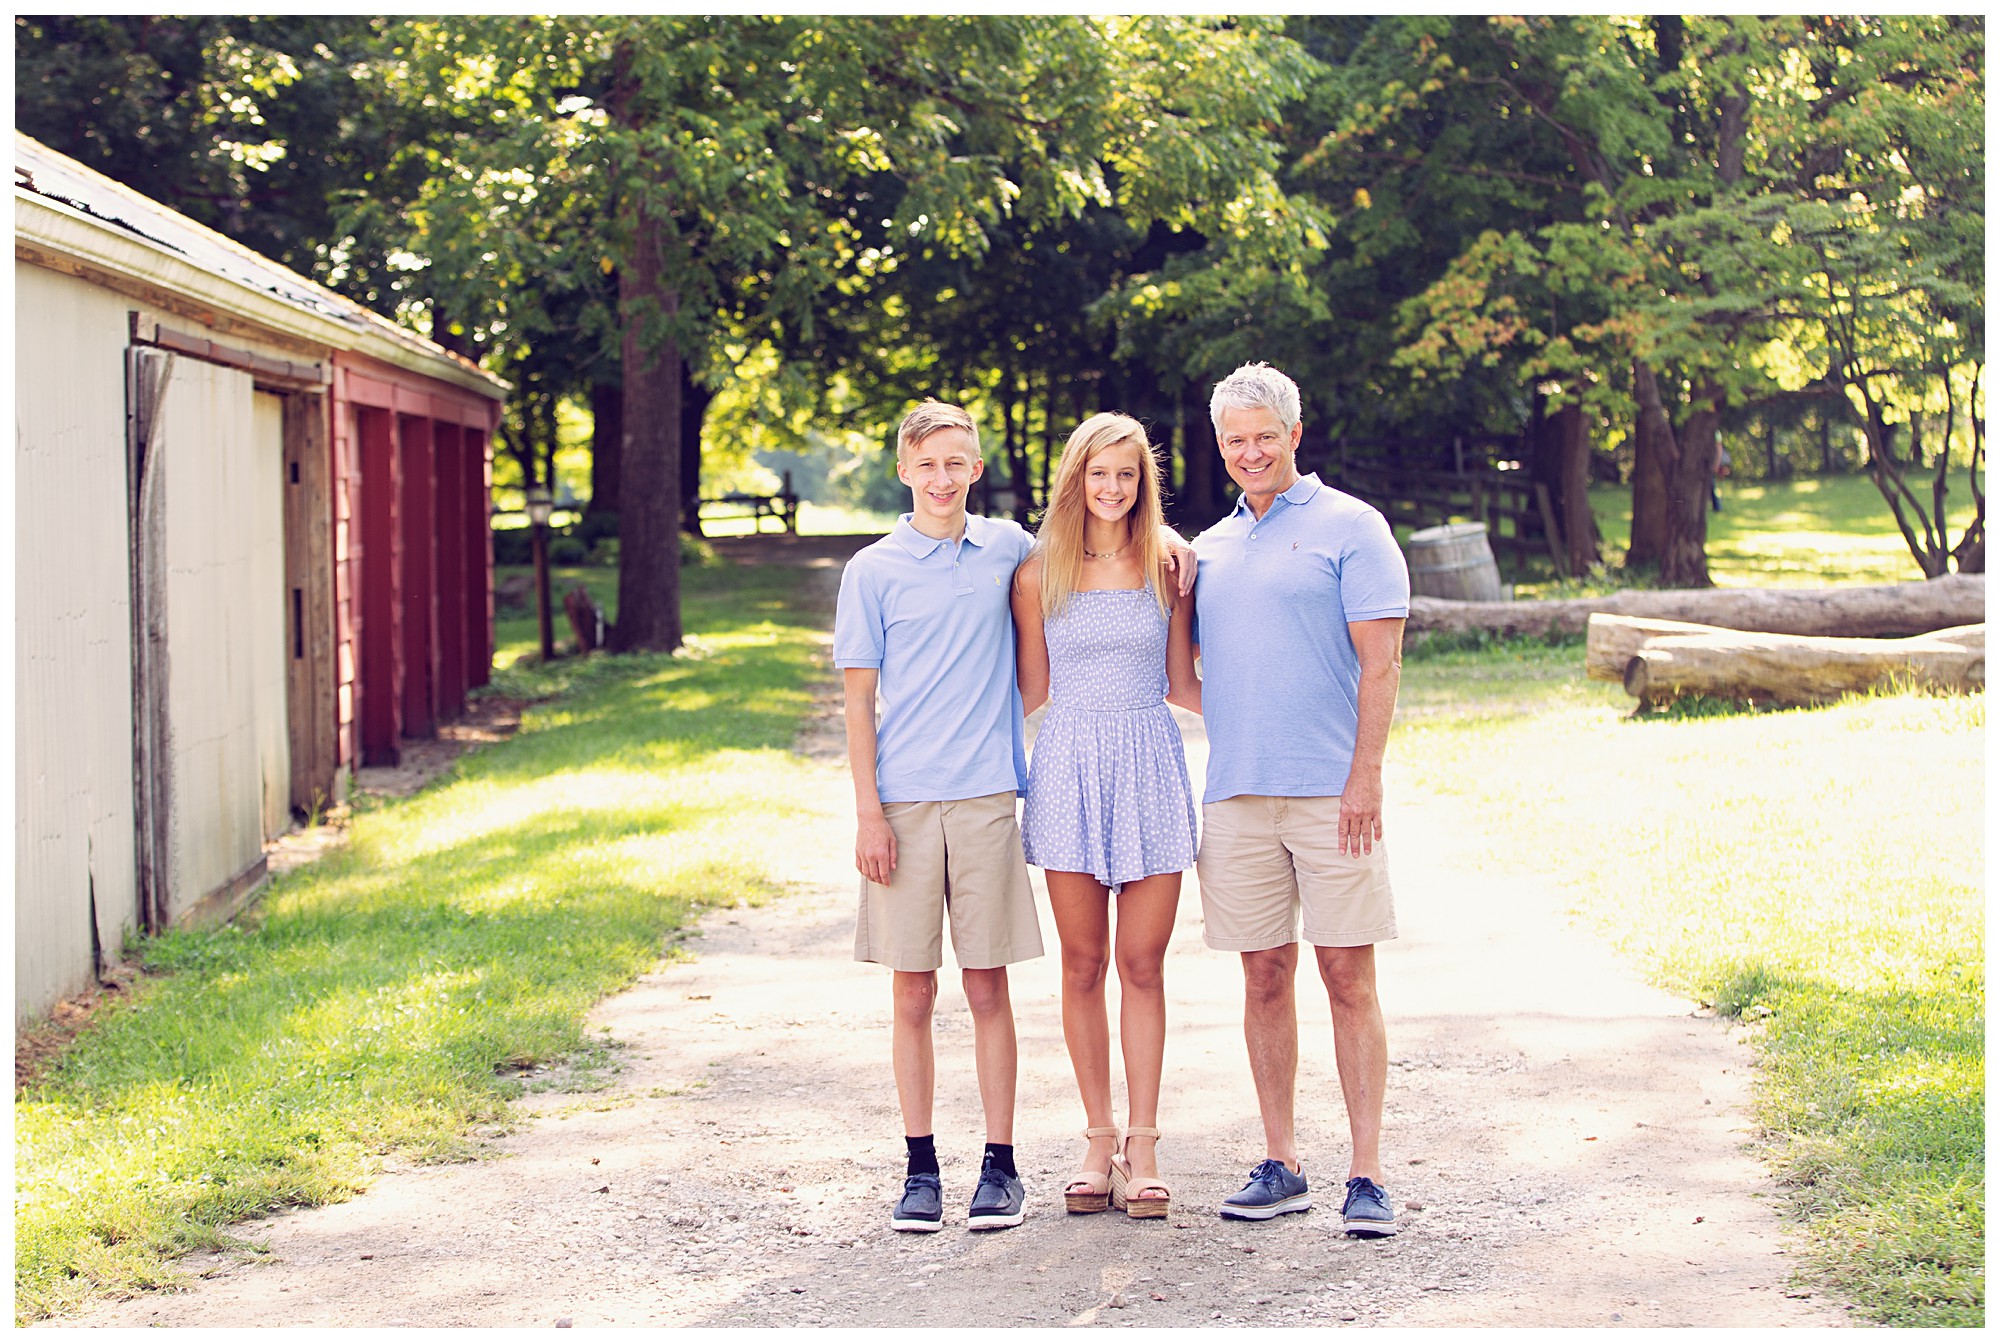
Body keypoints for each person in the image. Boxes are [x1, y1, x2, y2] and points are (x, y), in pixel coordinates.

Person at [833, 399, 1194, 1234]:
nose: (942, 477)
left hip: (999, 792)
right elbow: (862, 700)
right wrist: (867, 812)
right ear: (903, 470)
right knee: (921, 987)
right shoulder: (891, 569)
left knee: (1002, 982)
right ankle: (924, 1165)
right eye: (926, 463)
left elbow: (1123, 551)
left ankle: (1014, 1162)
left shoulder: (1010, 549)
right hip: (920, 796)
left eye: (957, 462)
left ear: (978, 468)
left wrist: (1175, 542)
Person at [1190, 362, 1409, 1238]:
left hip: (1332, 796)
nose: (1250, 452)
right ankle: (1280, 1160)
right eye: (1235, 439)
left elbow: (1384, 663)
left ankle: (1367, 1173)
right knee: (1263, 972)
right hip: (1237, 798)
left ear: (1294, 433)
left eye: (1264, 436)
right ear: (1221, 444)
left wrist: (1366, 775)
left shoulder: (1354, 528)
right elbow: (1191, 672)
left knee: (1347, 974)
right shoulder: (1204, 548)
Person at [1011, 413, 1201, 1221]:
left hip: (1150, 764)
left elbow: (1183, 681)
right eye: (1099, 474)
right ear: (1075, 478)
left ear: (1143, 482)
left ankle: (1145, 1142)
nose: (1113, 488)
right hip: (1069, 768)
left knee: (1145, 964)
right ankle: (1097, 1138)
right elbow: (1027, 692)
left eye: (1127, 475)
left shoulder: (1167, 564)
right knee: (1082, 964)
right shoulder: (1036, 572)